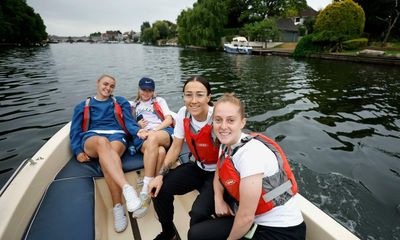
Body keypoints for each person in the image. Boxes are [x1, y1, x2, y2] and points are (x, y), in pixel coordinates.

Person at [188, 93, 306, 240]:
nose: (223, 126)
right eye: (218, 120)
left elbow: (245, 217)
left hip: (280, 231)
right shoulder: (226, 143)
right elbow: (220, 170)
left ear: (242, 122)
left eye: (230, 120)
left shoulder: (251, 154)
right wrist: (218, 199)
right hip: (254, 219)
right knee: (196, 227)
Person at [70, 74, 147, 233]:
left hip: (117, 136)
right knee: (102, 143)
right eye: (105, 84)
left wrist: (138, 132)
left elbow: (129, 123)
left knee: (108, 159)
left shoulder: (120, 102)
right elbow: (75, 131)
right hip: (92, 138)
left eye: (112, 86)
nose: (108, 88)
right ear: (97, 83)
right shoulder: (83, 105)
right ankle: (127, 188)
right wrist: (77, 151)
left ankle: (118, 207)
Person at [148, 76, 220, 240]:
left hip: (218, 173)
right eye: (188, 95)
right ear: (183, 96)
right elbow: (175, 147)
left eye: (200, 95)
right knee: (159, 190)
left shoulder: (218, 118)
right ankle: (168, 232)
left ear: (209, 97)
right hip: (198, 167)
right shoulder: (183, 113)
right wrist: (160, 175)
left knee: (198, 212)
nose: (193, 101)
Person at [129, 77, 174, 218]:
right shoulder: (132, 105)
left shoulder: (159, 101)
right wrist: (138, 127)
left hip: (162, 132)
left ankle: (144, 190)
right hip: (143, 137)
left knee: (154, 139)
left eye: (149, 90)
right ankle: (155, 196)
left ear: (153, 91)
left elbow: (168, 119)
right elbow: (127, 123)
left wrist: (154, 131)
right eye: (144, 89)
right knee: (160, 152)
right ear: (139, 89)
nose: (146, 93)